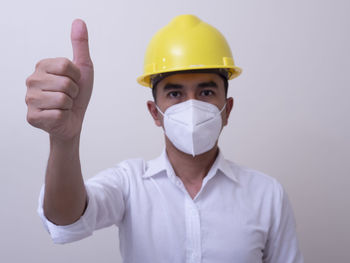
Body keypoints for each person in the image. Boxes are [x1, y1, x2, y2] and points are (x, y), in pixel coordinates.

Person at [25, 14, 303, 263]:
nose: (191, 105)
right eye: (175, 94)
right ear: (155, 113)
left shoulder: (267, 195)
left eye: (206, 93)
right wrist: (64, 140)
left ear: (226, 110)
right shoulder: (129, 184)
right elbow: (65, 219)